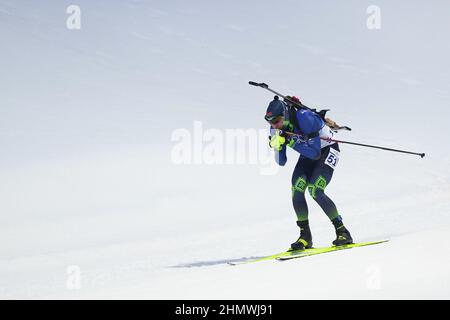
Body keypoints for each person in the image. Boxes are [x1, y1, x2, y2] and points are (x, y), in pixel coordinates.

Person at [265, 96, 353, 250]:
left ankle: (342, 231)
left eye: (276, 121)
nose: (274, 125)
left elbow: (315, 154)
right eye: (270, 122)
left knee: (315, 190)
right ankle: (305, 236)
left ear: (285, 115)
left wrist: (290, 141)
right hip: (308, 152)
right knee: (297, 189)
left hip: (326, 149)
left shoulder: (304, 118)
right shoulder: (275, 127)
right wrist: (277, 146)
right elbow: (281, 161)